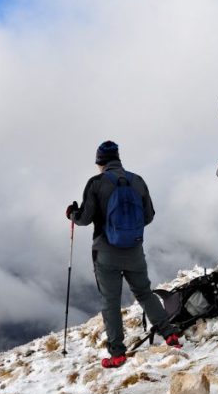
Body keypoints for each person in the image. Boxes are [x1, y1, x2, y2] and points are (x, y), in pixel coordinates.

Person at [66, 140, 182, 368]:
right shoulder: (137, 181)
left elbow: (85, 218)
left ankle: (118, 353)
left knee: (111, 302)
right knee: (144, 293)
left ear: (100, 162)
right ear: (118, 158)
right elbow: (148, 215)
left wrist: (72, 214)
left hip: (106, 251)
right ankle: (170, 334)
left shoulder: (96, 183)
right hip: (134, 250)